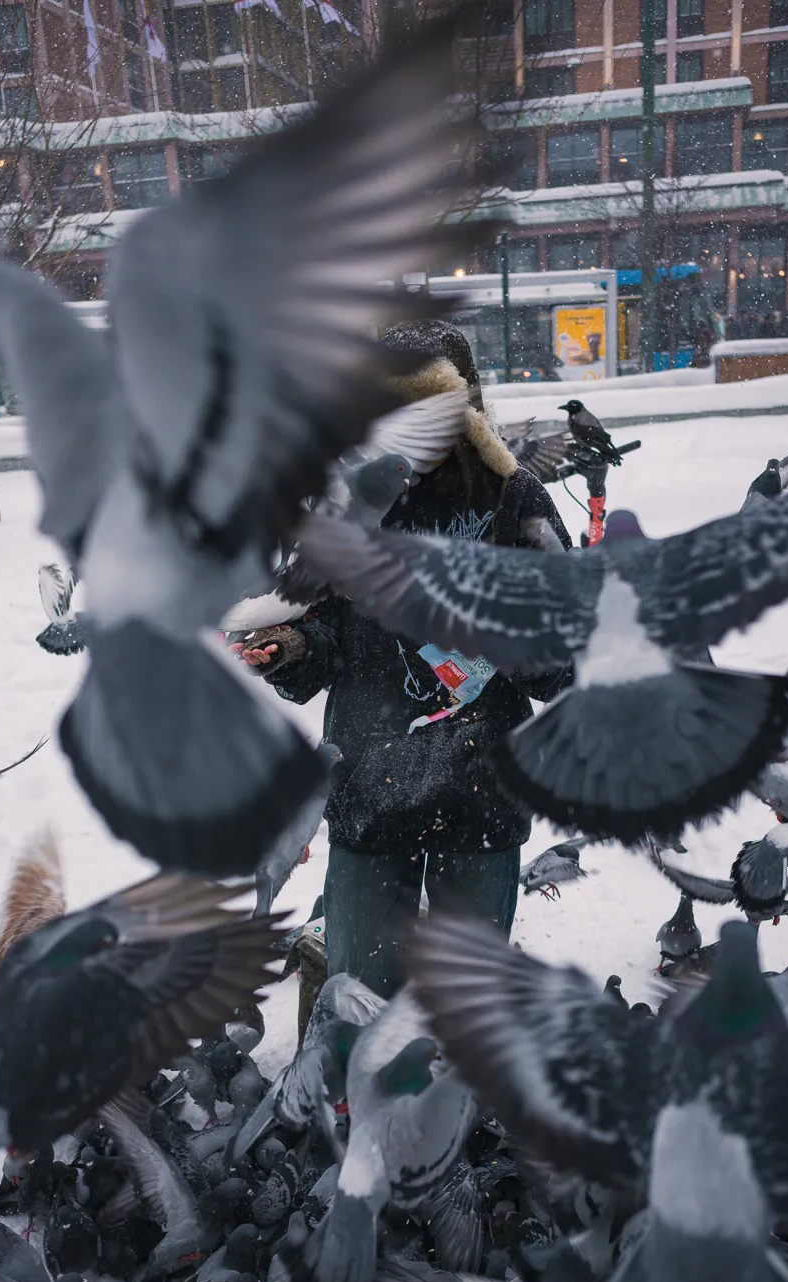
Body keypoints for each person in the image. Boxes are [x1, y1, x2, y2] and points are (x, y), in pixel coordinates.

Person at [240, 320, 573, 998]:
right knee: (359, 1002)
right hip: (370, 791)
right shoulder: (343, 503)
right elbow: (320, 633)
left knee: (467, 1006)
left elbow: (564, 657)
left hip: (482, 794)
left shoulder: (515, 499)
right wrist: (289, 648)